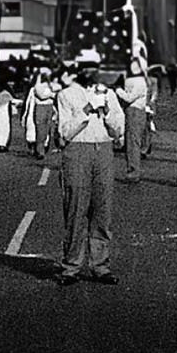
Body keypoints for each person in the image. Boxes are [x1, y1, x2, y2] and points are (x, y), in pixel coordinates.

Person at [56, 48, 123, 284]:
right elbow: (64, 132)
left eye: (94, 67)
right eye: (86, 66)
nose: (90, 71)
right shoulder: (67, 95)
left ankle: (100, 266)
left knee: (102, 210)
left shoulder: (109, 94)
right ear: (78, 68)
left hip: (103, 150)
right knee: (76, 209)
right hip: (78, 151)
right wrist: (86, 110)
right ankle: (71, 266)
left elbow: (118, 130)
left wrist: (105, 111)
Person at [115, 61, 150, 180]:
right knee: (132, 142)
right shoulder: (140, 81)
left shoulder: (137, 82)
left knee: (132, 142)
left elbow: (129, 98)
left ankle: (133, 171)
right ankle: (132, 169)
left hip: (135, 111)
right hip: (136, 111)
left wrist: (118, 90)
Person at [26, 67, 58, 159]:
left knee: (48, 129)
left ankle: (44, 147)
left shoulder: (50, 85)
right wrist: (51, 95)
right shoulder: (37, 86)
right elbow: (41, 96)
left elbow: (58, 92)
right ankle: (40, 151)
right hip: (41, 107)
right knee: (41, 130)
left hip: (49, 107)